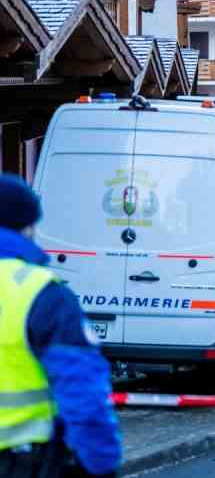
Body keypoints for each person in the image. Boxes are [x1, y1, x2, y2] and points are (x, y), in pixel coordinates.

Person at [0, 174, 121, 478]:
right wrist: (101, 464)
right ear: (27, 227)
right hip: (21, 462)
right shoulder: (40, 293)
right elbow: (83, 393)